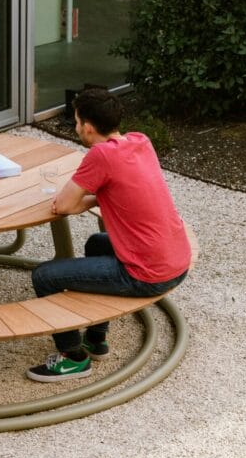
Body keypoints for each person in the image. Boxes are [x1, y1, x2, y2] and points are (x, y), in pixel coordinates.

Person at [26, 87, 191, 382]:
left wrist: (75, 203)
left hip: (146, 273)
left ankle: (73, 357)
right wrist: (90, 199)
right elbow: (113, 190)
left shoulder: (101, 155)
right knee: (96, 243)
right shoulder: (139, 142)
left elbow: (63, 206)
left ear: (88, 128)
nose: (76, 128)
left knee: (44, 276)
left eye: (76, 122)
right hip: (177, 259)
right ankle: (96, 339)